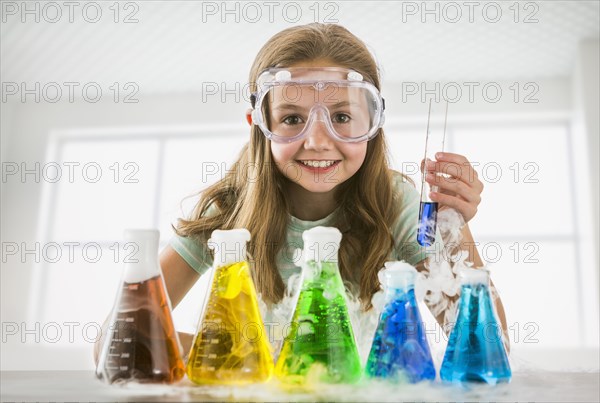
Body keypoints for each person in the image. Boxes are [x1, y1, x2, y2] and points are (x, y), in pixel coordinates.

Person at [95, 23, 508, 362]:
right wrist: (249, 357)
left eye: (342, 116)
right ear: (258, 124)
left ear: (375, 120)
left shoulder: (396, 202)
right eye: (292, 118)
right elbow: (116, 342)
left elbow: (487, 346)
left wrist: (451, 227)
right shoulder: (229, 212)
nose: (317, 140)